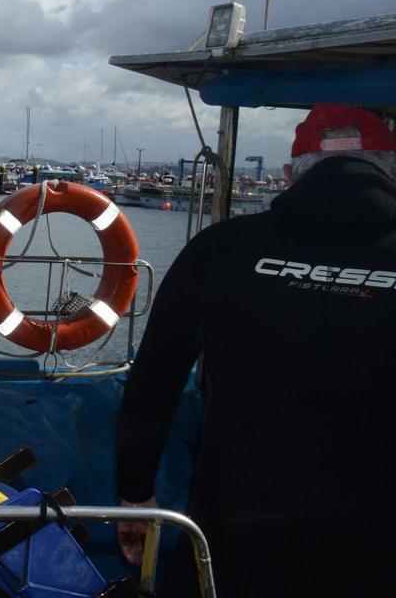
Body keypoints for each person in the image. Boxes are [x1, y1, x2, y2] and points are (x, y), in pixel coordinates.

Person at [116, 104, 396, 596]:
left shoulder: (223, 248)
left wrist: (136, 495)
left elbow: (154, 380)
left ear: (289, 174)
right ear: (391, 168)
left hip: (235, 535)